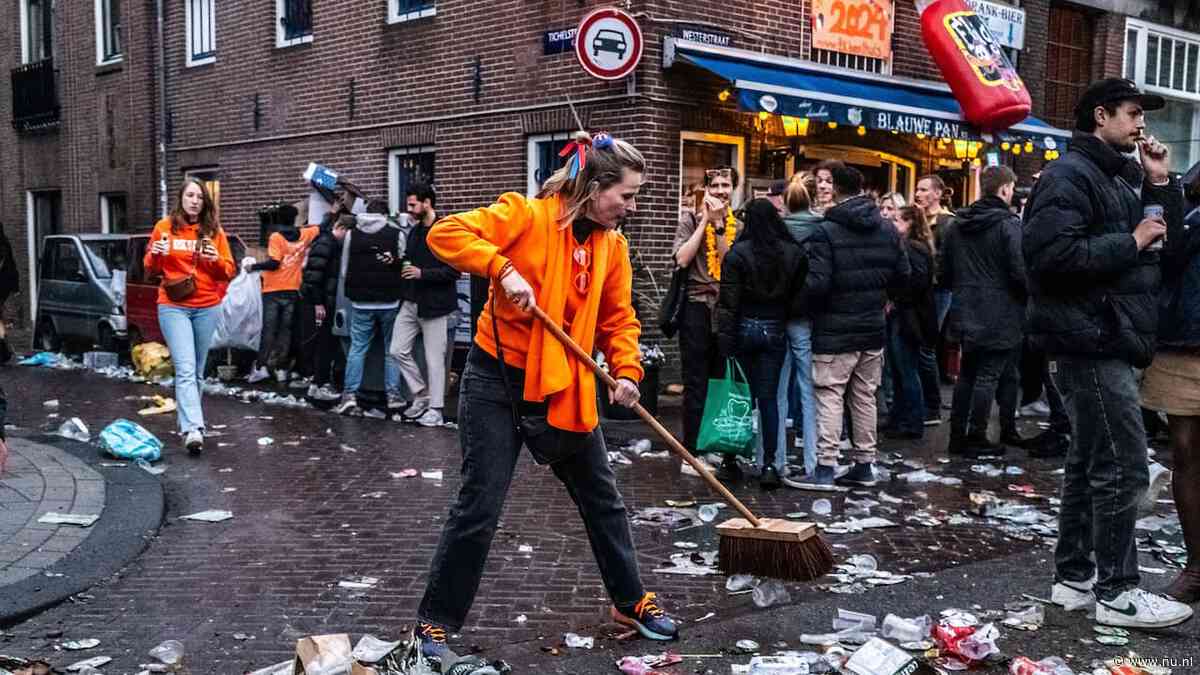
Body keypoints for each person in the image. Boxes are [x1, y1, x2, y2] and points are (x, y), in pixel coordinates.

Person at [414, 131, 677, 659]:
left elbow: (618, 319)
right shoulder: (526, 216)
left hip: (566, 384)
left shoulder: (613, 247)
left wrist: (627, 370)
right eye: (627, 195)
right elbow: (445, 234)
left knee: (603, 498)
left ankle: (629, 600)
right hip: (497, 381)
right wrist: (501, 267)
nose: (632, 206)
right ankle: (432, 625)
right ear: (595, 188)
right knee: (479, 505)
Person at [1024, 77, 1192, 628]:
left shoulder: (1116, 176)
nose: (1142, 123)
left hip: (1108, 335)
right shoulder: (1069, 176)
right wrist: (1132, 240)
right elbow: (1050, 258)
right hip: (1090, 338)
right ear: (1101, 115)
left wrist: (1161, 183)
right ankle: (1118, 592)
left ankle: (1074, 579)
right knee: (1123, 465)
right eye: (1132, 112)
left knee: (1088, 462)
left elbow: (1165, 249)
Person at [803, 163, 909, 487]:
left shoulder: (825, 231)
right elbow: (904, 275)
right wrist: (886, 299)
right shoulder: (887, 229)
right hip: (872, 327)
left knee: (830, 394)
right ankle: (864, 464)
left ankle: (825, 466)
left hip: (834, 328)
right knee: (864, 396)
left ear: (835, 188)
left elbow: (817, 284)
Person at [1139, 162, 1200, 603]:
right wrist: (1167, 186)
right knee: (1186, 453)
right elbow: (1168, 256)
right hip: (1185, 343)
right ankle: (1196, 567)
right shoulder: (1190, 208)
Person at [717, 198, 806, 490]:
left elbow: (728, 303)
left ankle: (730, 460)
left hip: (744, 327)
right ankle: (769, 464)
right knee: (768, 399)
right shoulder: (793, 254)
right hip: (774, 328)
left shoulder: (737, 255)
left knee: (739, 397)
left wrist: (726, 343)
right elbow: (800, 293)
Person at [143, 179, 236, 454]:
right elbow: (150, 268)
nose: (195, 201)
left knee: (196, 371)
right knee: (184, 368)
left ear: (205, 202)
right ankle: (194, 429)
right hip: (173, 305)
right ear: (181, 199)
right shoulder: (164, 228)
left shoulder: (214, 231)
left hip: (207, 305)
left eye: (200, 197)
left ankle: (187, 422)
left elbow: (228, 271)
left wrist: (214, 258)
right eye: (190, 195)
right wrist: (156, 255)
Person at [942, 166, 1027, 457]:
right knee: (988, 375)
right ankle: (977, 436)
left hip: (966, 307)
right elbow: (1019, 271)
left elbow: (944, 271)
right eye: (1011, 188)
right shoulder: (1008, 225)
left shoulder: (957, 224)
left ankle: (957, 435)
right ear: (1004, 189)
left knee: (967, 373)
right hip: (1001, 311)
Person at [672, 164, 742, 478]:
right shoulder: (688, 220)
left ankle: (710, 443)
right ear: (706, 189)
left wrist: (719, 228)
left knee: (718, 381)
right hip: (696, 308)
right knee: (695, 382)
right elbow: (682, 259)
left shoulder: (738, 226)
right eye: (715, 186)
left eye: (726, 186)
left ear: (733, 190)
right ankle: (690, 453)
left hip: (724, 310)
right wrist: (704, 222)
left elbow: (729, 267)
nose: (720, 191)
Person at [390, 182, 458, 427]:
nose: (408, 209)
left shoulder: (445, 231)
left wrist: (422, 274)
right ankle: (421, 394)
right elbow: (409, 261)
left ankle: (436, 410)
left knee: (434, 359)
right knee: (397, 349)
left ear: (427, 202)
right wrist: (396, 262)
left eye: (412, 204)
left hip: (435, 306)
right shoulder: (415, 231)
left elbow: (454, 271)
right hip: (411, 302)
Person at [332, 202, 407, 415]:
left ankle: (349, 395)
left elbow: (345, 269)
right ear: (384, 214)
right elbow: (403, 265)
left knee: (357, 348)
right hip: (390, 301)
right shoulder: (396, 234)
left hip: (360, 302)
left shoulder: (351, 234)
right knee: (391, 350)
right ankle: (393, 396)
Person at [776, 172, 823, 484]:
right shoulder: (822, 229)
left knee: (777, 391)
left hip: (778, 314)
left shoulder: (776, 230)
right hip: (806, 316)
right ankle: (812, 461)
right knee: (809, 389)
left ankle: (777, 459)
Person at [244, 205, 317, 384]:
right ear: (294, 218)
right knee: (286, 330)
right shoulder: (305, 234)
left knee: (269, 330)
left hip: (273, 290)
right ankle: (281, 369)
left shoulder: (276, 237)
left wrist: (253, 267)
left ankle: (261, 368)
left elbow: (274, 263)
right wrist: (335, 211)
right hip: (292, 289)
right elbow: (323, 225)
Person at [884, 206, 937, 440]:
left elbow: (916, 282)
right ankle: (898, 418)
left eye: (897, 219)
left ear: (909, 223)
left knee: (906, 369)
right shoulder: (914, 246)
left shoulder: (912, 248)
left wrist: (896, 299)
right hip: (908, 314)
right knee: (900, 370)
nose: (892, 222)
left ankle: (912, 421)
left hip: (908, 316)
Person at [301, 204, 353, 402]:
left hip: (325, 301)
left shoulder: (328, 242)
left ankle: (317, 384)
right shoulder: (327, 243)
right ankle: (319, 384)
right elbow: (313, 277)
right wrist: (318, 304)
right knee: (323, 343)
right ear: (342, 229)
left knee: (324, 343)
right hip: (322, 302)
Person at [914, 173, 956, 420]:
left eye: (923, 189)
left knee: (926, 345)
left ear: (938, 194)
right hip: (921, 289)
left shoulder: (947, 222)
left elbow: (945, 260)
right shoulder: (917, 218)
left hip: (937, 289)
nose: (918, 194)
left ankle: (932, 405)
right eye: (917, 189)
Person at [0, 223, 18, 365]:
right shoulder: (5, 243)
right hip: (6, 284)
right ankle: (4, 352)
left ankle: (4, 352)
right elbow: (12, 265)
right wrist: (15, 288)